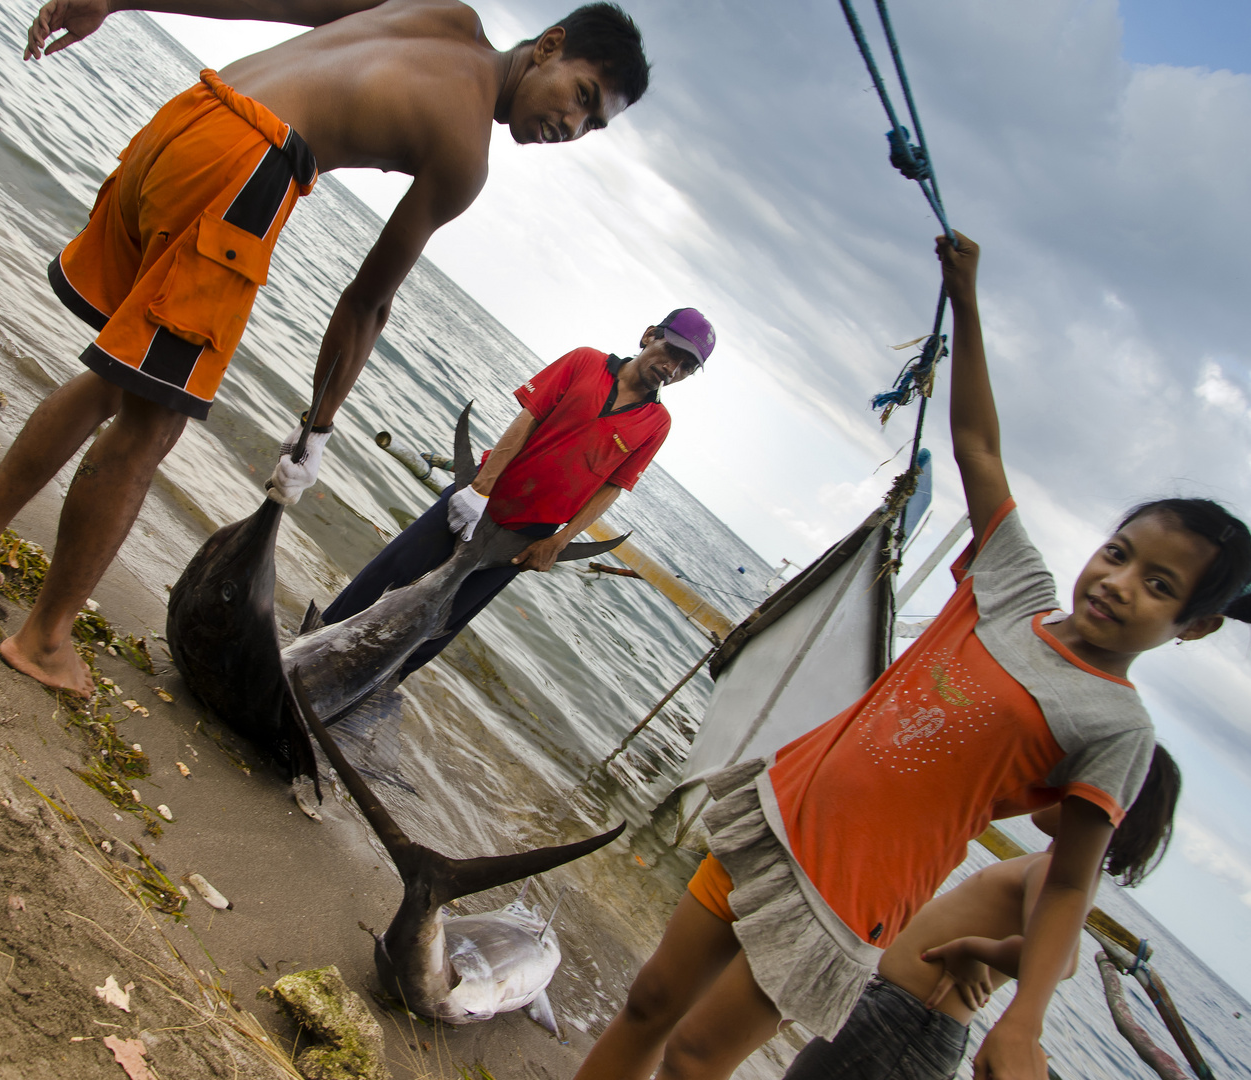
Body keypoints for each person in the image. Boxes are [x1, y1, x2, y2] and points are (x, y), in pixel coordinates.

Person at [573, 231, 1251, 1080]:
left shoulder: (1117, 727)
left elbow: (1069, 889)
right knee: (646, 1005)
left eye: (1159, 586)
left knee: (697, 1059)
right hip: (782, 810)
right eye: (1118, 553)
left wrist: (1026, 1022)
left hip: (850, 896)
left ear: (1191, 626)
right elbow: (977, 449)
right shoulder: (1012, 586)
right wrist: (966, 302)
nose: (1118, 583)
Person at [0, 0, 652, 696]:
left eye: (592, 126)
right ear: (549, 45)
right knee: (152, 422)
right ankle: (44, 640)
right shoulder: (464, 154)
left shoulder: (439, 13)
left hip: (191, 115)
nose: (572, 124)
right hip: (249, 163)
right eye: (581, 96)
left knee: (115, 374)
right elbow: (367, 301)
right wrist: (320, 427)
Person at [320, 308, 713, 678]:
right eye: (672, 353)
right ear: (649, 336)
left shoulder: (657, 423)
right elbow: (527, 419)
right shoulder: (585, 361)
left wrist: (559, 541)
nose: (672, 369)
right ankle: (311, 641)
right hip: (480, 497)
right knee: (388, 575)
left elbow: (613, 487)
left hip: (525, 537)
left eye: (687, 367)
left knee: (437, 625)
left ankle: (366, 690)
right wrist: (480, 488)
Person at [783, 746, 1181, 1080]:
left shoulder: (1052, 873)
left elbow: (1063, 961)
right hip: (906, 1018)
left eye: (1070, 777)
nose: (1050, 781)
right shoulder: (1056, 870)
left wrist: (972, 949)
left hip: (906, 1023)